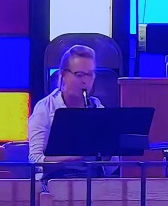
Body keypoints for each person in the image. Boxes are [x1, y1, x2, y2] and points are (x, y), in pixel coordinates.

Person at [27, 44, 119, 177]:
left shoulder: (97, 108)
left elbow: (111, 168)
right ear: (63, 74)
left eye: (90, 74)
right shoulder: (45, 108)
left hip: (92, 183)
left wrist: (107, 155)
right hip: (55, 183)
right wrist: (73, 157)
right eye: (79, 75)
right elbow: (35, 161)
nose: (85, 81)